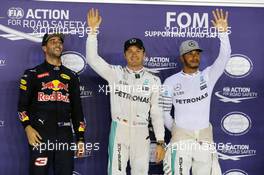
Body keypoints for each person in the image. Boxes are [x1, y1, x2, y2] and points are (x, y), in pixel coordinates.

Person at [86, 8, 165, 175]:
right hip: (119, 129)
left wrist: (160, 141)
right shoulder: (115, 73)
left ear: (144, 54)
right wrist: (92, 32)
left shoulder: (154, 80)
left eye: (138, 51)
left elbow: (157, 113)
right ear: (124, 55)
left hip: (142, 132)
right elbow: (92, 59)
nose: (134, 54)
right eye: (130, 51)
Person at [162, 9, 231, 175]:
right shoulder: (170, 82)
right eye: (190, 54)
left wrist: (223, 33)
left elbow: (224, 57)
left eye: (197, 54)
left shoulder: (208, 75)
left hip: (204, 140)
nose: (194, 57)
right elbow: (164, 112)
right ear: (182, 57)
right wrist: (179, 131)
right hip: (180, 141)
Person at [18, 32, 86, 175]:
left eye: (59, 41)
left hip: (64, 138)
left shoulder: (72, 76)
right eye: (52, 41)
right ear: (44, 47)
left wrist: (80, 138)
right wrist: (27, 127)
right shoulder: (32, 74)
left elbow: (77, 111)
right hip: (40, 137)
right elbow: (22, 107)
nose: (57, 43)